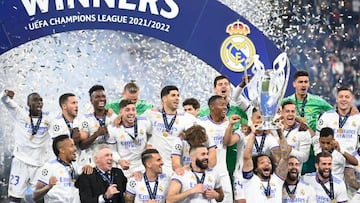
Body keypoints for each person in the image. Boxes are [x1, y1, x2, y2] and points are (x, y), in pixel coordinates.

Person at [1, 89, 51, 203]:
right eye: (35, 100)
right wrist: (5, 93)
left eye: (40, 100)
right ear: (28, 104)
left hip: (39, 164)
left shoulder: (48, 119)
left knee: (39, 197)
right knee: (15, 197)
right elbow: (4, 99)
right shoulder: (20, 113)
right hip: (20, 162)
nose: (39, 102)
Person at [282, 70, 334, 174]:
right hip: (294, 148)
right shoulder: (286, 102)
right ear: (294, 84)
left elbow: (333, 113)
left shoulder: (317, 101)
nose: (303, 85)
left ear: (309, 84)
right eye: (300, 82)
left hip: (312, 150)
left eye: (306, 82)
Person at [197, 75, 248, 181]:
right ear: (214, 89)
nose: (223, 87)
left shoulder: (239, 111)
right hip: (212, 161)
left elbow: (245, 132)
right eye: (220, 85)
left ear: (230, 88)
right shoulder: (203, 112)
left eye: (226, 84)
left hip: (235, 159)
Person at [143, 85, 197, 175]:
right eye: (173, 95)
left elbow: (200, 134)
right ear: (164, 99)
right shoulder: (151, 114)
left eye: (178, 95)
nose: (177, 98)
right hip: (158, 167)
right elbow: (134, 125)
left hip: (178, 166)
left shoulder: (187, 118)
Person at [198, 95, 238, 202]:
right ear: (212, 107)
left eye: (226, 105)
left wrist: (230, 125)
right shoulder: (201, 123)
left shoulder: (227, 123)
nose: (225, 107)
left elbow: (227, 142)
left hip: (222, 171)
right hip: (206, 172)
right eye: (221, 105)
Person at [241, 127, 291, 202]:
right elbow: (247, 157)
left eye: (269, 162)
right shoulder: (249, 179)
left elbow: (285, 157)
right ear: (255, 168)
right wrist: (253, 133)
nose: (267, 164)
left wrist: (280, 131)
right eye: (262, 162)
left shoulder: (277, 179)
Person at [74, 85, 118, 168]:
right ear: (91, 100)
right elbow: (82, 146)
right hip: (92, 161)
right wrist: (96, 134)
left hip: (112, 161)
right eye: (97, 97)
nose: (101, 99)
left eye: (103, 96)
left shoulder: (113, 117)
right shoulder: (86, 120)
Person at [107, 99, 152, 178]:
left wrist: (149, 144)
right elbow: (112, 150)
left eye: (133, 110)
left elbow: (153, 134)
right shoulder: (113, 128)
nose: (131, 113)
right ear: (120, 112)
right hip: (124, 167)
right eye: (127, 110)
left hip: (143, 165)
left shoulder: (144, 122)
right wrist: (119, 160)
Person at [32, 135, 80, 203]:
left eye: (74, 145)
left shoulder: (75, 165)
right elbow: (35, 196)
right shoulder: (49, 167)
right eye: (71, 146)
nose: (75, 148)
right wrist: (49, 186)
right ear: (62, 150)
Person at [280, 100, 312, 170]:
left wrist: (290, 151)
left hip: (293, 174)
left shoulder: (303, 131)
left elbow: (305, 157)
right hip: (276, 175)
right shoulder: (275, 129)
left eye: (293, 111)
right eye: (287, 111)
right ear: (282, 113)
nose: (290, 114)